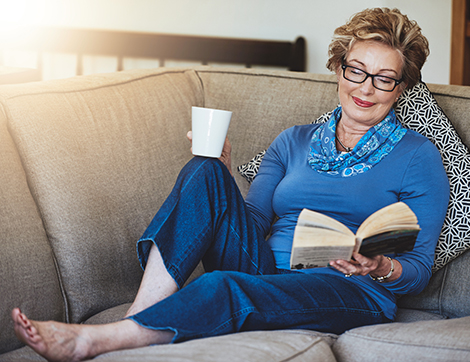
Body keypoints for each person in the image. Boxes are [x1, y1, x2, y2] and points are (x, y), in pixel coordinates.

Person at [12, 7, 450, 362]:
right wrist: (222, 179)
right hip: (265, 265)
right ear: (338, 68)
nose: (365, 88)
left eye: (384, 78)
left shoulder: (418, 157)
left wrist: (379, 267)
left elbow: (418, 271)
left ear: (401, 87)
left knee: (222, 286)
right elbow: (255, 219)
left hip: (348, 289)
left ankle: (95, 341)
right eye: (356, 70)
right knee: (204, 170)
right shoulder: (292, 140)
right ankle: (140, 317)